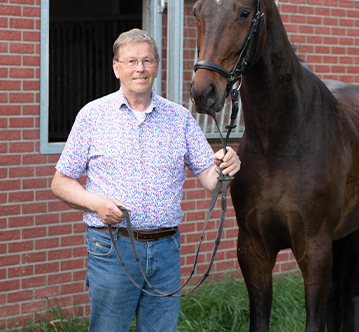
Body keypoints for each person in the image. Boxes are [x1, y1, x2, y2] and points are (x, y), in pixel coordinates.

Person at [51, 28, 241, 332]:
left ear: (157, 65)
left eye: (147, 61)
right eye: (131, 61)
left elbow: (209, 178)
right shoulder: (93, 116)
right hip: (113, 248)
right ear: (116, 67)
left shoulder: (179, 118)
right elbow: (60, 182)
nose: (140, 68)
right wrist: (96, 203)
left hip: (166, 249)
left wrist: (224, 167)